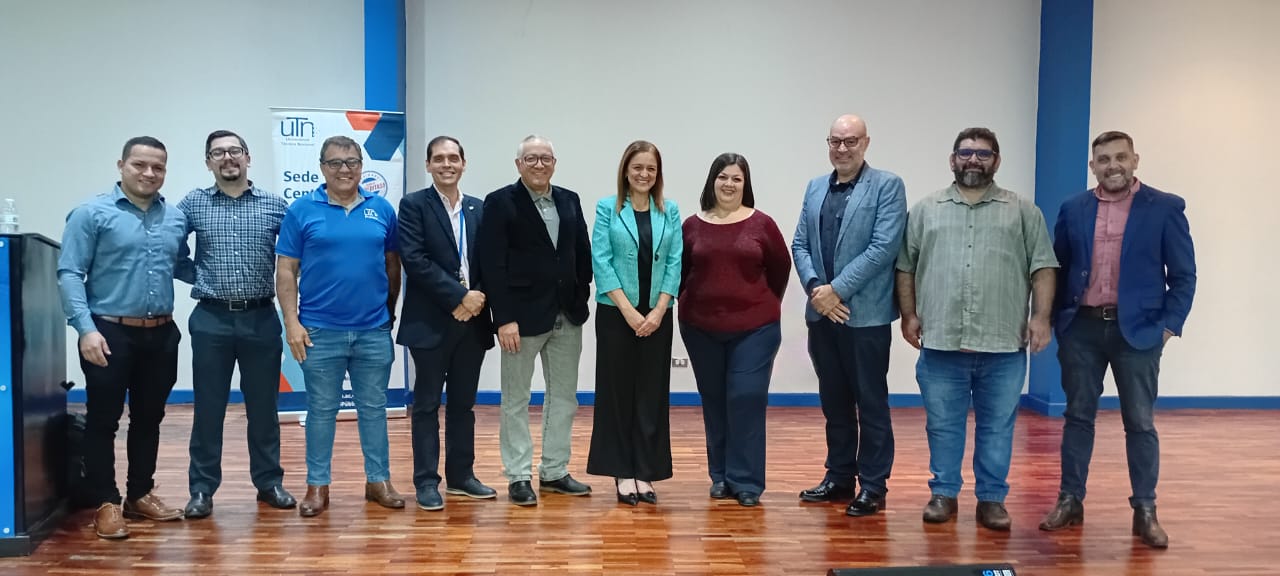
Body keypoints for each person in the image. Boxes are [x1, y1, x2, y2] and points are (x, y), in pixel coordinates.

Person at [1038, 131, 1196, 549]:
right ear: (1093, 166)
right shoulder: (1073, 208)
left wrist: (1168, 327)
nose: (1113, 166)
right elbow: (1058, 266)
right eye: (1104, 159)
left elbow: (1184, 277)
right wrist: (1054, 320)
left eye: (1120, 157)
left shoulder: (1165, 208)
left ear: (1135, 160)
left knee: (1140, 422)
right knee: (1078, 417)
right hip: (1082, 330)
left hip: (1139, 333)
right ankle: (1070, 500)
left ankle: (1145, 510)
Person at [895, 127, 1058, 530]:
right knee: (942, 425)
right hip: (941, 342)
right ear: (952, 159)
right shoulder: (926, 210)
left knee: (997, 427)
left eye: (983, 154)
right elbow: (906, 267)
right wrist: (909, 315)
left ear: (996, 161)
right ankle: (943, 493)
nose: (973, 160)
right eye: (965, 152)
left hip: (1002, 344)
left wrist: (1041, 317)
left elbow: (1043, 266)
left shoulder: (1023, 211)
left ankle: (991, 500)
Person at [57, 136, 189, 539]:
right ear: (121, 165)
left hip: (161, 334)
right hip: (108, 332)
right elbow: (70, 273)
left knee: (150, 418)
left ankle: (140, 494)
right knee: (103, 419)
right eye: (139, 165)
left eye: (158, 167)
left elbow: (181, 265)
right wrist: (85, 329)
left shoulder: (175, 218)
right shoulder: (91, 213)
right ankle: (106, 502)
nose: (149, 173)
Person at [275, 135, 404, 517]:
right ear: (322, 167)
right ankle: (317, 485)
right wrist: (292, 323)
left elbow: (392, 265)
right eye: (335, 163)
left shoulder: (381, 209)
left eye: (352, 162)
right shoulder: (302, 210)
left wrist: (388, 313)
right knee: (321, 411)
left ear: (362, 166)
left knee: (374, 409)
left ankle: (378, 481)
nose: (344, 169)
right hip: (319, 331)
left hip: (372, 330)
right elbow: (286, 270)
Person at [176, 130, 296, 518]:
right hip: (211, 319)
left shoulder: (274, 205)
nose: (228, 158)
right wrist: (200, 277)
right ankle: (201, 489)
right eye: (218, 153)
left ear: (248, 157)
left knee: (263, 408)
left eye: (235, 151)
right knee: (208, 408)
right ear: (208, 162)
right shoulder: (192, 203)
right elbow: (169, 248)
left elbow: (294, 256)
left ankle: (269, 482)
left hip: (261, 317)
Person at [792, 115, 907, 516]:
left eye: (850, 141)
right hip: (822, 315)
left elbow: (882, 248)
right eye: (835, 141)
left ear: (866, 142)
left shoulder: (887, 186)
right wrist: (815, 289)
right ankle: (839, 477)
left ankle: (873, 484)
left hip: (864, 317)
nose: (842, 148)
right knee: (835, 402)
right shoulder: (815, 187)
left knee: (870, 404)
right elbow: (800, 243)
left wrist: (835, 290)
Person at [475, 135, 593, 507]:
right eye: (531, 159)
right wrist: (503, 318)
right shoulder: (500, 202)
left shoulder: (569, 199)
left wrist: (581, 294)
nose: (539, 165)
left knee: (564, 398)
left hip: (566, 315)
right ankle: (519, 475)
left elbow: (582, 252)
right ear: (518, 164)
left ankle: (555, 471)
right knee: (516, 399)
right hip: (520, 320)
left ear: (554, 163)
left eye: (545, 158)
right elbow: (492, 264)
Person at [679, 153, 791, 508]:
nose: (729, 184)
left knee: (746, 398)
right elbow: (680, 272)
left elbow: (780, 268)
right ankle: (721, 476)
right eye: (723, 177)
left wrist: (761, 304)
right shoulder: (692, 226)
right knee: (714, 401)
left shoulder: (762, 224)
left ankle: (747, 481)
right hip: (700, 328)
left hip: (755, 329)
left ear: (746, 184)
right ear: (712, 181)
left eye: (736, 178)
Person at [397, 136, 497, 511]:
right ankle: (426, 482)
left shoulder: (478, 208)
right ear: (428, 165)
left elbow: (491, 261)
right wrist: (459, 297)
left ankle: (461, 477)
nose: (446, 164)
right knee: (425, 406)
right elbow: (414, 259)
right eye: (438, 159)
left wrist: (475, 300)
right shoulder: (413, 205)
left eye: (453, 158)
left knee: (462, 406)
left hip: (473, 322)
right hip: (430, 323)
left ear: (463, 163)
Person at [586, 140, 683, 506]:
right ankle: (621, 470)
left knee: (651, 393)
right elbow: (601, 260)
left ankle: (646, 470)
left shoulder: (669, 211)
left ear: (658, 174)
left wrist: (658, 311)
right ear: (626, 171)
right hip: (616, 314)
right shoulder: (607, 208)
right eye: (638, 167)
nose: (644, 174)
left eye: (651, 169)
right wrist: (628, 311)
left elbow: (675, 262)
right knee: (617, 392)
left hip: (658, 316)